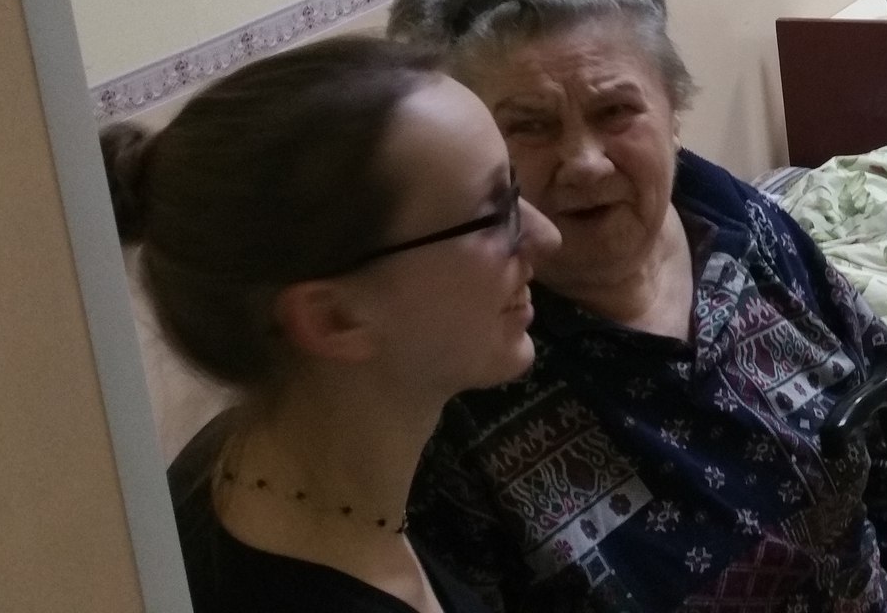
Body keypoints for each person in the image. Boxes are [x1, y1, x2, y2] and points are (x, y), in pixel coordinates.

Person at [387, 0, 887, 613]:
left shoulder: (736, 222)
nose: (584, 161)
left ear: (673, 112)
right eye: (529, 126)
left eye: (615, 111)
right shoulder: (467, 376)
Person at [105, 36, 562, 613]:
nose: (547, 237)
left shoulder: (248, 461)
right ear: (334, 318)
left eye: (514, 191)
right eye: (494, 214)